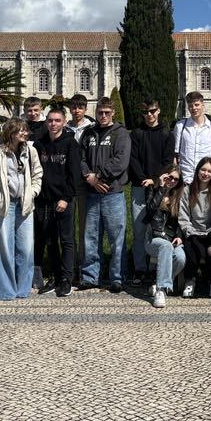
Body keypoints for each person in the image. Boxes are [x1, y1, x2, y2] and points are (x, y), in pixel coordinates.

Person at [0, 118, 42, 300]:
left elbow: (38, 173)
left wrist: (33, 192)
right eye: (20, 130)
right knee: (3, 247)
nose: (24, 133)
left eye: (25, 130)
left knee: (26, 247)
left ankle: (23, 289)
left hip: (25, 203)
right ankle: (4, 290)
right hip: (4, 205)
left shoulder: (30, 151)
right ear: (11, 132)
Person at [80, 97, 131, 292]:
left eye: (107, 113)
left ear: (113, 113)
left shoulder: (121, 134)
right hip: (92, 193)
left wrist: (99, 176)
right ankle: (90, 276)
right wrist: (89, 177)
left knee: (116, 238)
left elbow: (120, 161)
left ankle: (117, 277)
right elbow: (81, 158)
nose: (103, 116)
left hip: (113, 193)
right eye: (100, 112)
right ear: (96, 112)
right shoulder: (89, 133)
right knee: (91, 237)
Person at [33, 106, 81, 297]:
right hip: (44, 200)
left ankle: (67, 279)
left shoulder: (71, 144)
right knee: (50, 240)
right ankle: (55, 276)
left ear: (64, 122)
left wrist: (66, 198)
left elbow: (74, 174)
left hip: (63, 199)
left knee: (66, 239)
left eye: (57, 120)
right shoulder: (40, 144)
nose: (53, 124)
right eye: (50, 120)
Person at [128, 98, 175, 286]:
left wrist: (155, 180)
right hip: (140, 186)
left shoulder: (167, 134)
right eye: (146, 112)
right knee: (139, 228)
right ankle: (140, 268)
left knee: (158, 228)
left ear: (159, 111)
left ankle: (156, 267)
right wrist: (144, 179)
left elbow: (168, 161)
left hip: (160, 187)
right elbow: (133, 159)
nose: (149, 115)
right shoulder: (137, 133)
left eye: (152, 111)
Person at [177, 157, 211, 299]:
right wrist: (190, 230)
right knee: (191, 247)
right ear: (197, 171)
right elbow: (183, 215)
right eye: (203, 170)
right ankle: (190, 280)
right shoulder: (187, 190)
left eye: (209, 171)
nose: (205, 173)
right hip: (192, 231)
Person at [143, 168, 186, 308]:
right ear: (164, 175)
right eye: (170, 177)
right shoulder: (152, 189)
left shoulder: (178, 197)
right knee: (166, 246)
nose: (172, 181)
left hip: (171, 239)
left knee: (180, 258)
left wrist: (179, 236)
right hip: (153, 238)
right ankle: (161, 291)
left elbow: (181, 221)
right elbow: (150, 211)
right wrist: (161, 187)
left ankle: (158, 283)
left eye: (176, 179)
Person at [65, 93, 94, 281]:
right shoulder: (65, 128)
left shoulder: (91, 129)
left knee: (85, 228)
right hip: (68, 184)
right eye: (74, 107)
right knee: (68, 229)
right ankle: (70, 267)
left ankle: (84, 266)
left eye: (80, 107)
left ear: (85, 109)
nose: (77, 111)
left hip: (85, 185)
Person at [172, 91, 211, 184]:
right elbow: (175, 155)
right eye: (190, 106)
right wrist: (175, 176)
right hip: (185, 180)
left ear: (203, 105)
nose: (194, 108)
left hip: (206, 181)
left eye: (197, 105)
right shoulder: (180, 126)